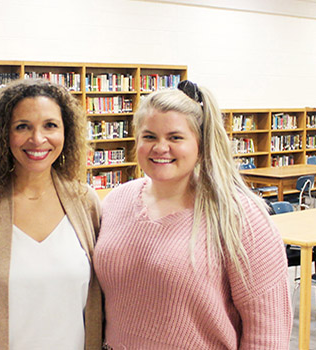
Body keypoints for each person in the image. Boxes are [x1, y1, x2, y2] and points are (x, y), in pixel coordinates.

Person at [94, 80, 292, 349]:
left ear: (200, 144)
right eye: (149, 136)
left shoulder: (239, 216)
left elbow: (268, 333)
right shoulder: (116, 202)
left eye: (175, 137)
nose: (160, 148)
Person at [0, 79, 102, 349]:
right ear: (4, 134)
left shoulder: (85, 203)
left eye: (50, 125)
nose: (38, 139)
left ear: (67, 132)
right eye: (23, 127)